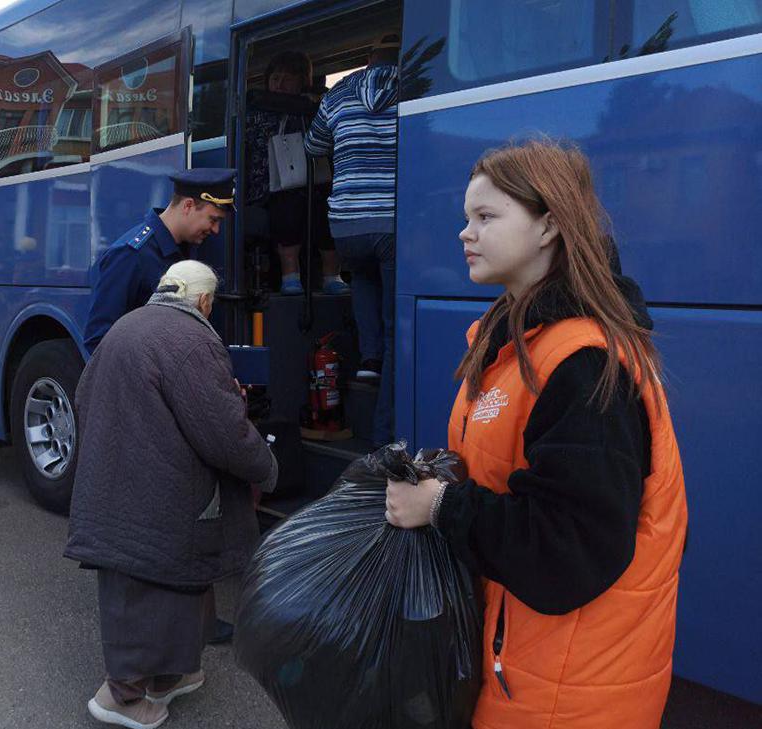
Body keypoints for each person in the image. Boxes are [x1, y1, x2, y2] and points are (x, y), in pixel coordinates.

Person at [384, 139, 687, 728]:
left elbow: (567, 549)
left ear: (549, 224)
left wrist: (442, 505)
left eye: (487, 216)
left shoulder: (584, 361)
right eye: (466, 217)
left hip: (566, 696)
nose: (464, 234)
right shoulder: (519, 339)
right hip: (527, 669)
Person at [67, 260, 278, 729]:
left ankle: (169, 675)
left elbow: (85, 397)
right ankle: (119, 696)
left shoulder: (127, 326)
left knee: (155, 587)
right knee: (161, 584)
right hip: (160, 497)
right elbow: (224, 432)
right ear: (204, 301)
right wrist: (266, 468)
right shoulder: (192, 340)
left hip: (115, 485)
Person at [305, 32, 400, 445]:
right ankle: (383, 436)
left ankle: (368, 359)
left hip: (346, 225)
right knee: (401, 327)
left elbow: (312, 146)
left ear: (368, 57)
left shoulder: (340, 92)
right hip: (391, 222)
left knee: (362, 275)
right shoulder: (413, 85)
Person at [82, 169, 235, 355]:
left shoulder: (189, 248)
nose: (216, 230)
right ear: (188, 206)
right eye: (213, 220)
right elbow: (99, 340)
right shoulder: (130, 255)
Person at [244, 50, 347, 295]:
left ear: (302, 81)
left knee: (327, 204)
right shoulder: (257, 109)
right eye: (275, 78)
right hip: (269, 188)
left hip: (313, 181)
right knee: (288, 204)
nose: (279, 84)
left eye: (287, 78)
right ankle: (291, 277)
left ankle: (332, 276)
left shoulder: (319, 108)